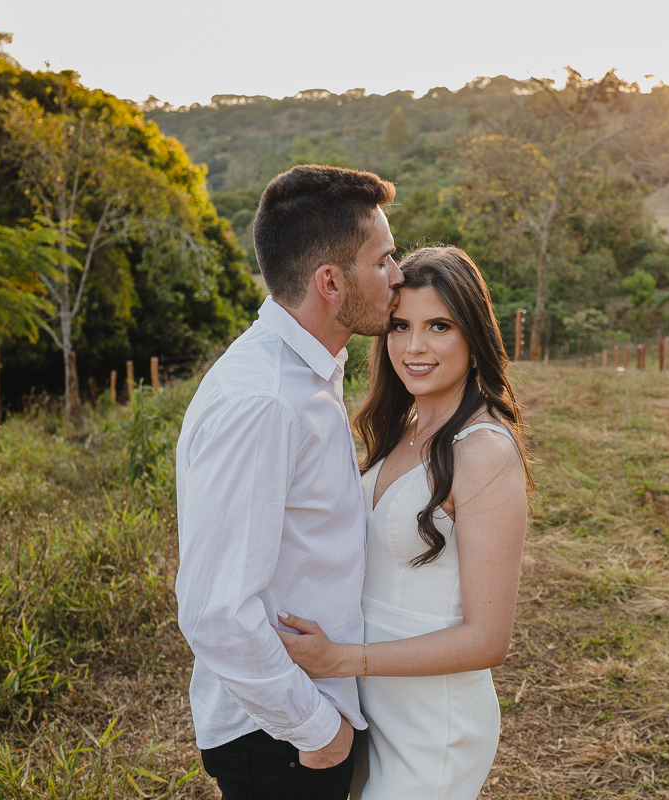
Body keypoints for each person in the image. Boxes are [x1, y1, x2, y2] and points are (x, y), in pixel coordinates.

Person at [174, 164, 402, 799]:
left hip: (305, 719)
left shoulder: (305, 378)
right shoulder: (265, 401)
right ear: (330, 282)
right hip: (277, 738)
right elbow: (214, 609)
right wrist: (316, 729)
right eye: (382, 260)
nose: (398, 275)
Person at [275, 246, 532, 800]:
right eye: (399, 326)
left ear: (474, 334)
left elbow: (489, 640)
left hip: (432, 720)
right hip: (372, 703)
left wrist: (344, 658)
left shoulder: (483, 449)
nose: (414, 347)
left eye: (439, 326)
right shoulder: (403, 428)